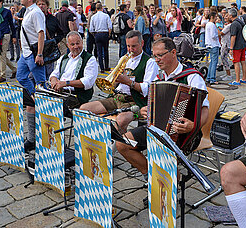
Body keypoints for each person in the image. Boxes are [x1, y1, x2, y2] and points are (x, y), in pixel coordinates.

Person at [116, 37, 209, 179]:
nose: (157, 60)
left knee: (163, 153)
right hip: (158, 129)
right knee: (122, 144)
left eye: (160, 55)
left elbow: (204, 110)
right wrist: (144, 111)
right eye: (154, 56)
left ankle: (170, 185)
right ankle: (152, 176)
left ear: (173, 52)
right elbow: (154, 104)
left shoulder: (192, 77)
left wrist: (193, 125)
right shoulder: (160, 77)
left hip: (185, 133)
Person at [80, 30, 158, 134]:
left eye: (134, 46)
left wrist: (128, 82)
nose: (130, 50)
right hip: (116, 98)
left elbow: (147, 89)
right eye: (128, 46)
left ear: (142, 43)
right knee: (83, 109)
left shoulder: (150, 62)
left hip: (133, 101)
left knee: (120, 120)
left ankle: (118, 146)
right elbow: (115, 85)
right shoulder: (124, 58)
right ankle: (95, 137)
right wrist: (114, 78)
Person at [16, 0, 46, 153]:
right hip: (25, 53)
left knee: (42, 84)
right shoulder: (27, 11)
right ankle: (35, 96)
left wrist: (40, 54)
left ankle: (44, 106)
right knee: (21, 77)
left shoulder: (36, 12)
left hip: (34, 54)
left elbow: (40, 33)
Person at [49, 31, 98, 108]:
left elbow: (88, 82)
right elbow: (55, 73)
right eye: (72, 44)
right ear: (68, 45)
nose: (75, 46)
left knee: (53, 105)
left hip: (77, 95)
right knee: (38, 99)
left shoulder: (90, 59)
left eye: (78, 43)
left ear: (82, 42)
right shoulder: (64, 58)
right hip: (61, 92)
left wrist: (66, 83)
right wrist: (54, 80)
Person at [37, 0, 64, 77]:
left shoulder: (53, 19)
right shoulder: (34, 17)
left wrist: (54, 41)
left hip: (49, 49)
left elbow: (60, 33)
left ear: (47, 6)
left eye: (43, 4)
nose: (41, 6)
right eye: (39, 4)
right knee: (36, 73)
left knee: (49, 72)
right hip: (37, 48)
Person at [89, 3, 112, 73]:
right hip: (105, 33)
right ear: (102, 8)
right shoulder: (106, 16)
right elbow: (110, 27)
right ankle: (106, 66)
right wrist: (109, 34)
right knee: (105, 51)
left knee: (99, 51)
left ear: (96, 9)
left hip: (97, 33)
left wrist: (94, 35)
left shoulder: (93, 17)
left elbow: (91, 29)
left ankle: (101, 68)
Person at [228, 8, 246, 86]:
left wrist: (231, 48)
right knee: (243, 61)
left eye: (228, 15)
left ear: (231, 15)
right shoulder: (240, 21)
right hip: (243, 44)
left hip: (237, 46)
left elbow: (233, 36)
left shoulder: (234, 24)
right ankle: (244, 78)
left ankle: (237, 80)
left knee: (236, 62)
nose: (228, 16)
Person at [205, 11, 221, 85]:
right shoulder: (212, 25)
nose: (216, 19)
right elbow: (213, 36)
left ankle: (209, 77)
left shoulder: (208, 24)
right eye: (215, 17)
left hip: (209, 44)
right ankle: (212, 78)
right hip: (213, 44)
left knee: (212, 62)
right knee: (214, 62)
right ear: (212, 17)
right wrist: (218, 34)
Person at [218, 12, 232, 81]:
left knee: (224, 59)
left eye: (227, 16)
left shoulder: (229, 26)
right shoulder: (227, 25)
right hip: (224, 43)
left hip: (226, 44)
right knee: (223, 59)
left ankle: (229, 75)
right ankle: (227, 73)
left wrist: (216, 27)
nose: (225, 17)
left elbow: (221, 33)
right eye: (225, 16)